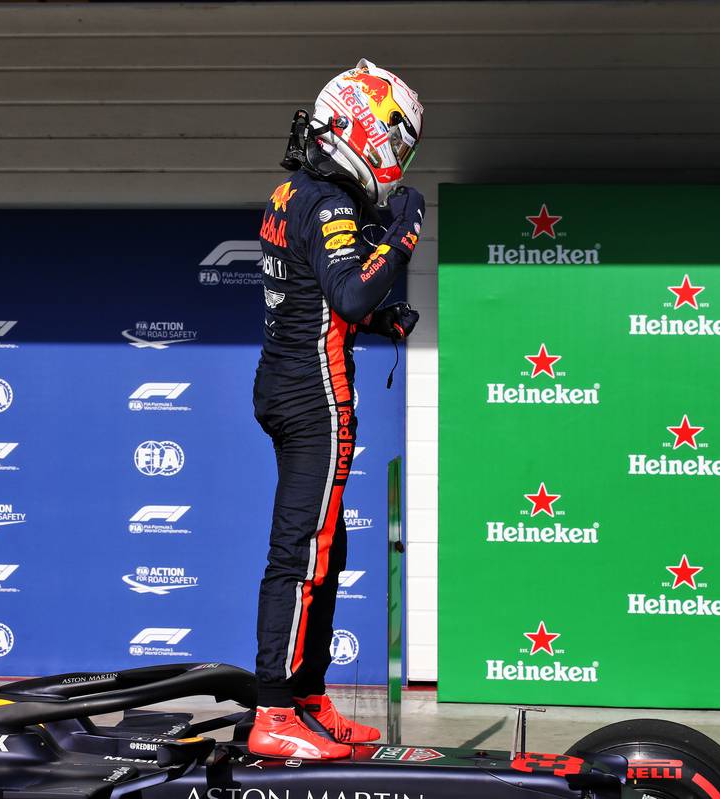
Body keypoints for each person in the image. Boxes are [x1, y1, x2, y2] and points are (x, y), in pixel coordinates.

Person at [248, 59, 425, 760]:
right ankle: (273, 710)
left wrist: (382, 324)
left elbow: (313, 302)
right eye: (397, 145)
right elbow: (349, 295)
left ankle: (307, 698)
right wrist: (405, 234)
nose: (398, 161)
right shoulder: (328, 204)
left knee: (329, 545)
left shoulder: (293, 190)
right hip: (314, 399)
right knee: (303, 551)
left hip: (282, 383)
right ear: (361, 130)